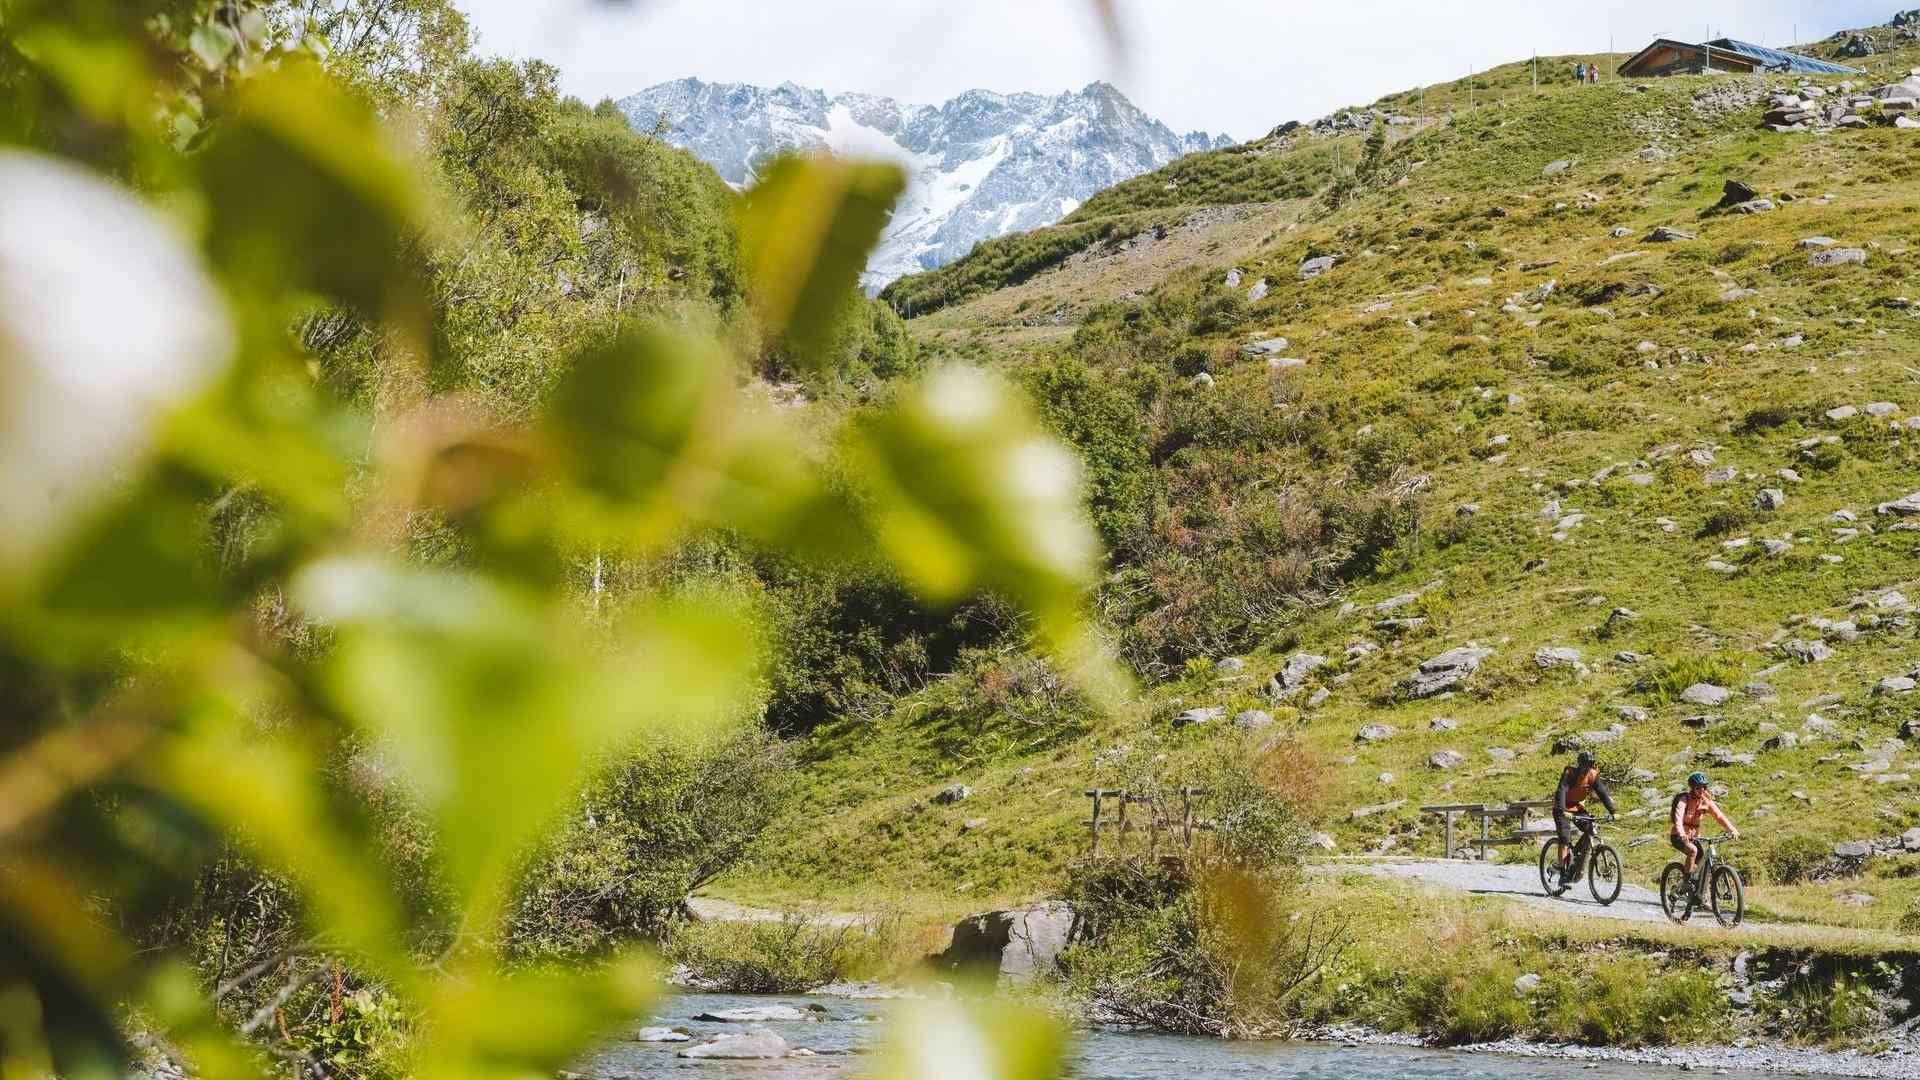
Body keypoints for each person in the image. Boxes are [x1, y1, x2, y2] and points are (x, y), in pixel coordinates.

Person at [1670, 772, 1738, 892]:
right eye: (1698, 787)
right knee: (1693, 851)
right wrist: (1681, 834)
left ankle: (1702, 896)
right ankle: (1686, 882)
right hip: (1678, 836)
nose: (1701, 790)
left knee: (1705, 864)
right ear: (1693, 788)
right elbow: (1678, 819)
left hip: (1694, 838)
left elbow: (1719, 816)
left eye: (1704, 787)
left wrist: (1732, 829)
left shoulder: (1706, 801)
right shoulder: (1683, 800)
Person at [1553, 750, 1615, 876]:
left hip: (1576, 807)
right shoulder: (1569, 773)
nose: (1587, 767)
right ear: (1580, 765)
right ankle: (1561, 868)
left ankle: (1576, 854)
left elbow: (1602, 792)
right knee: (1565, 838)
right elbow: (1562, 790)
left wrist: (1613, 811)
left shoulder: (1593, 775)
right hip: (1562, 808)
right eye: (1585, 764)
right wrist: (1563, 810)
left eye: (1590, 764)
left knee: (1590, 828)